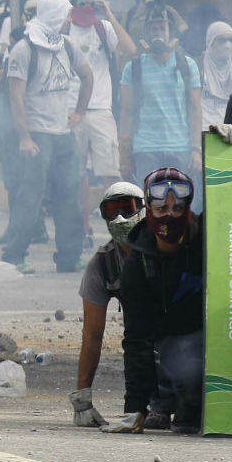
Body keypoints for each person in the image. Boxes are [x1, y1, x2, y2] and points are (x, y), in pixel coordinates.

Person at [104, 168, 204, 434]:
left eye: (177, 207)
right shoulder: (139, 263)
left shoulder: (210, 237)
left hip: (221, 329)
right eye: (161, 208)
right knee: (184, 360)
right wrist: (134, 408)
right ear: (149, 211)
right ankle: (179, 401)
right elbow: (137, 339)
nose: (170, 214)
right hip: (175, 343)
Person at [3, 0, 93, 273]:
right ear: (56, 16)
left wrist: (79, 112)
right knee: (30, 197)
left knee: (69, 196)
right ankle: (14, 256)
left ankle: (68, 257)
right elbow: (15, 97)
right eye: (66, 15)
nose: (70, 20)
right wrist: (24, 137)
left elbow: (88, 75)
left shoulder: (68, 46)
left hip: (63, 134)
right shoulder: (23, 49)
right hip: (37, 136)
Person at [69, 182, 144, 427]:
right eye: (112, 211)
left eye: (128, 208)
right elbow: (92, 335)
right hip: (138, 340)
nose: (120, 217)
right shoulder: (102, 265)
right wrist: (82, 401)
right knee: (136, 340)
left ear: (144, 210)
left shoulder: (164, 248)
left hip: (173, 332)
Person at [66, 0, 136, 247]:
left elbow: (130, 49)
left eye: (90, 3)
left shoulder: (103, 28)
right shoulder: (66, 30)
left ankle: (118, 232)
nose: (86, 8)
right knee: (76, 176)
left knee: (110, 175)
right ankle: (83, 229)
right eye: (81, 3)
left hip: (100, 111)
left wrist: (109, 14)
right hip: (72, 112)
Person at [118, 2, 203, 212]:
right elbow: (126, 113)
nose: (158, 33)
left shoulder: (187, 64)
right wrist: (124, 156)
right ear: (146, 33)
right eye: (153, 29)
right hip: (146, 148)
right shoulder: (134, 67)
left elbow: (195, 109)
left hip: (181, 148)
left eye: (162, 28)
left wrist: (196, 149)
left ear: (170, 33)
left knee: (185, 207)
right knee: (150, 208)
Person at [201, 22, 232, 130]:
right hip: (204, 132)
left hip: (231, 134)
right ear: (210, 42)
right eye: (222, 40)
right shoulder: (199, 69)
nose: (228, 45)